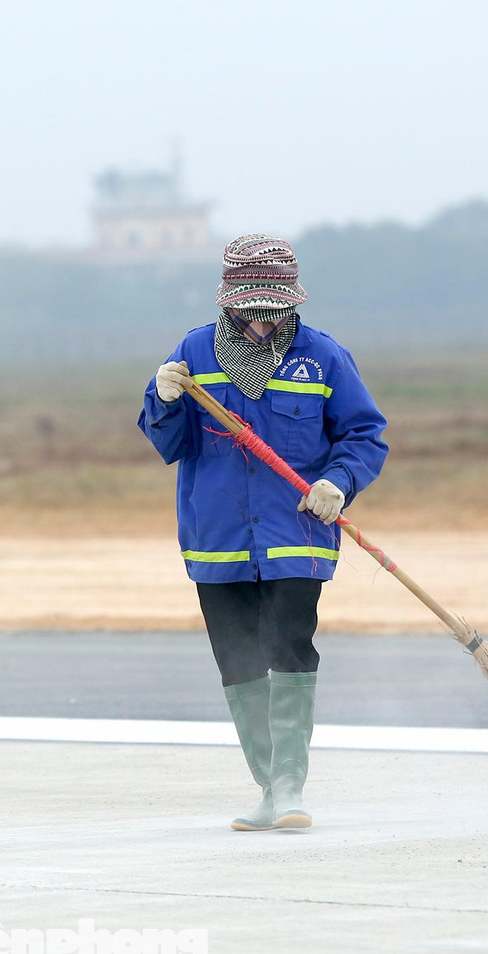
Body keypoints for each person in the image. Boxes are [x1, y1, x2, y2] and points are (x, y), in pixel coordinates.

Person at [138, 234, 388, 830]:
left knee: (288, 647)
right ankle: (269, 789)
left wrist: (339, 482)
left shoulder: (324, 357)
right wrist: (163, 399)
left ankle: (290, 787)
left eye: (272, 308)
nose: (262, 320)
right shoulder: (193, 353)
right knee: (238, 661)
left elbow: (364, 435)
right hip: (217, 538)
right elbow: (169, 445)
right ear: (230, 301)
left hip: (296, 533)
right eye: (251, 307)